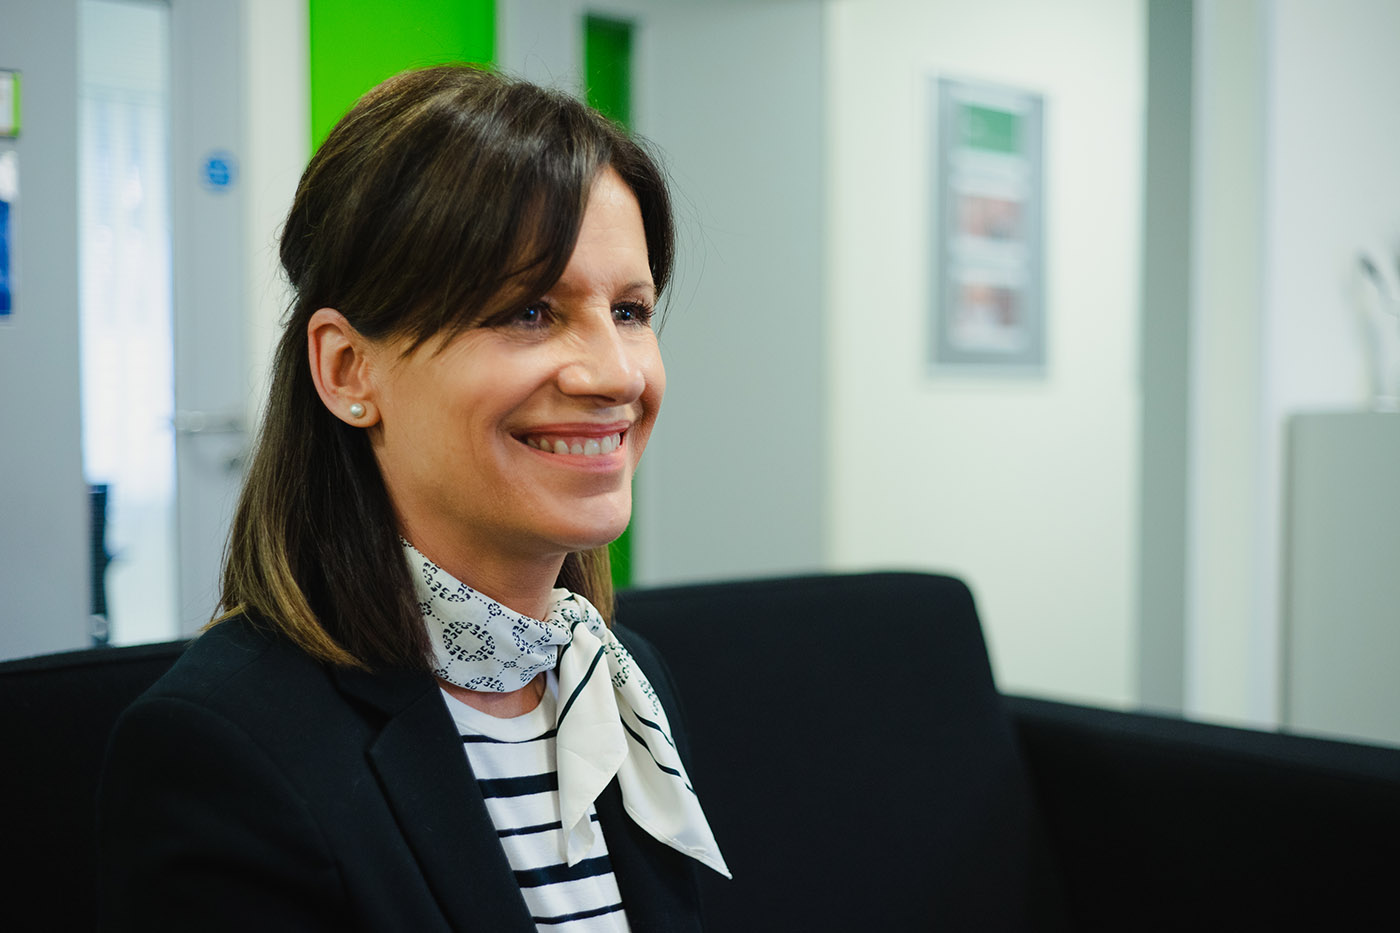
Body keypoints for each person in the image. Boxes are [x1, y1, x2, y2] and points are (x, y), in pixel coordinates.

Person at [98, 65, 728, 932]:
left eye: (629, 309)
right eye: (529, 311)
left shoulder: (619, 675)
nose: (616, 374)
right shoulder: (224, 749)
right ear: (348, 369)